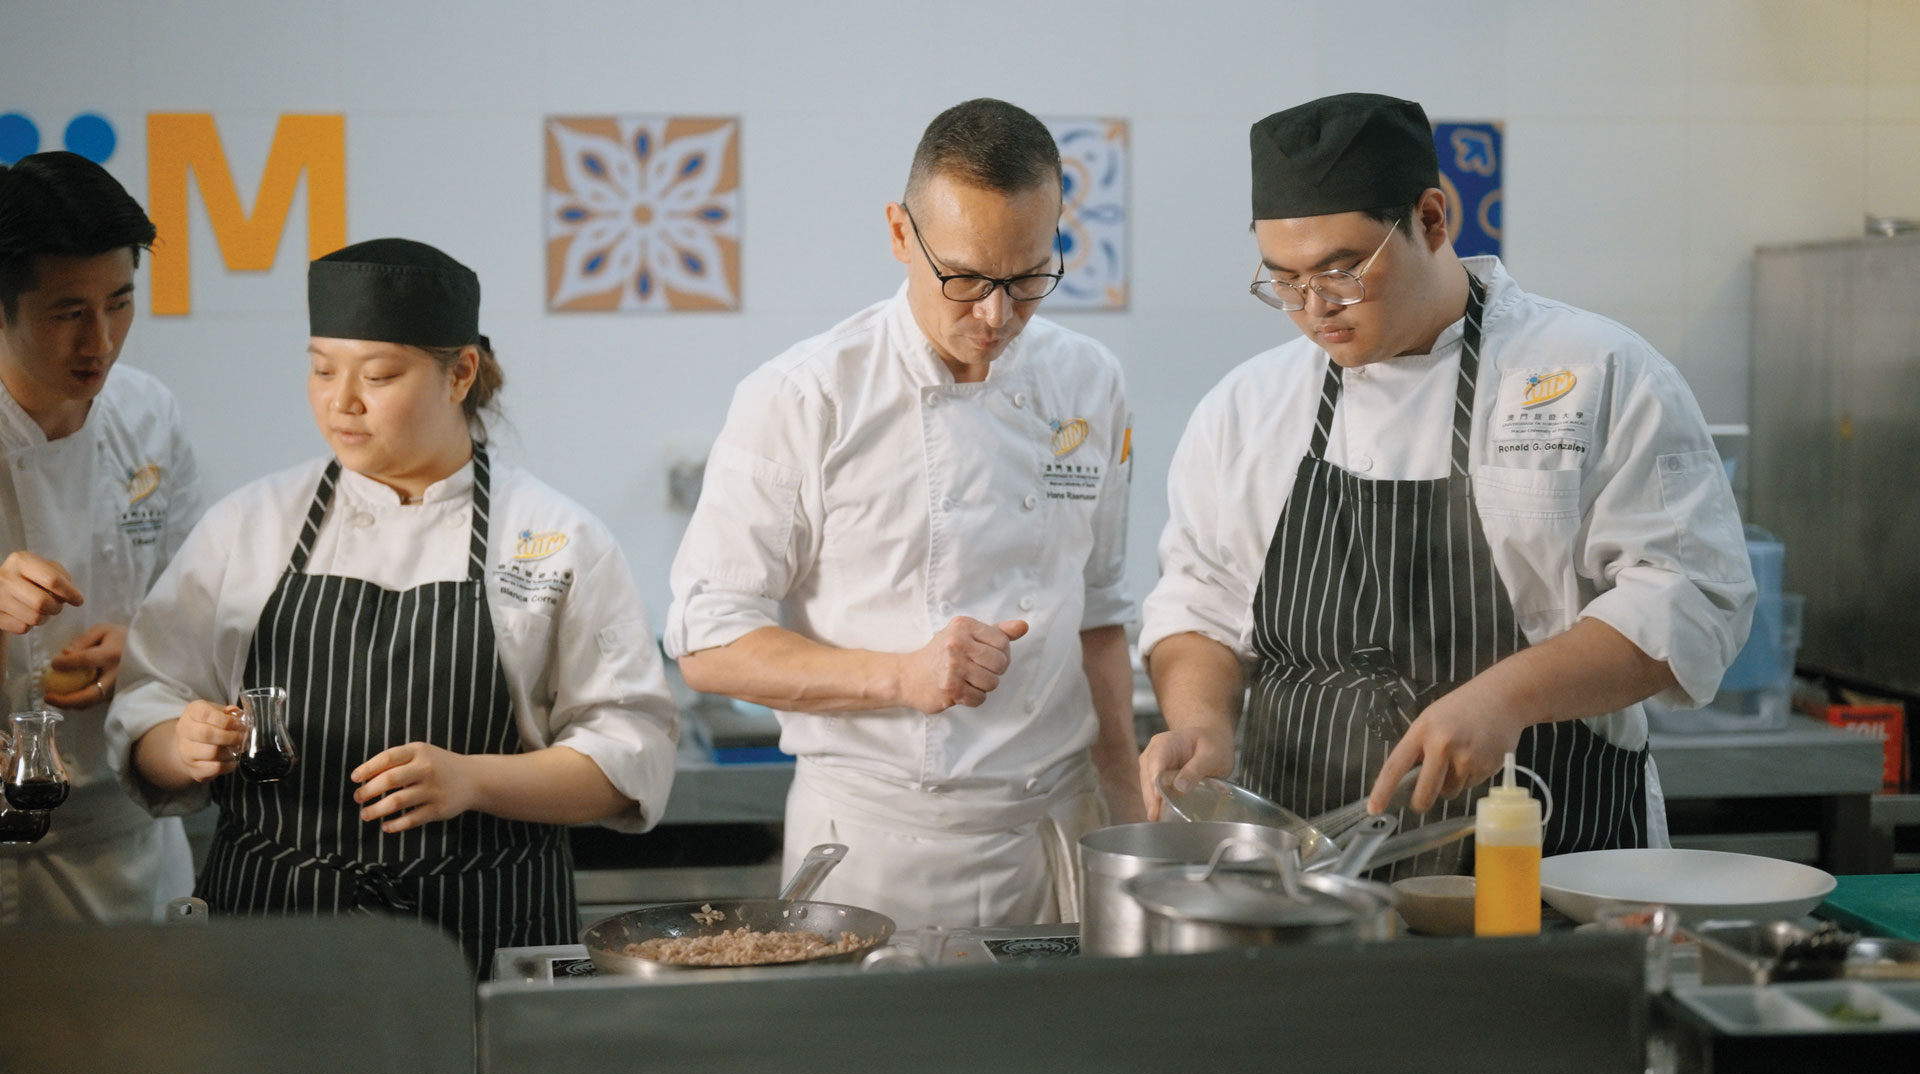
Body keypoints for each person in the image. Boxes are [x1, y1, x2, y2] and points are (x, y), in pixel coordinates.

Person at [1138, 93, 1755, 875]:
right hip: (1306, 885)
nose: (1315, 309)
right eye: (1284, 282)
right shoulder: (1246, 407)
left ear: (1432, 218)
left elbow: (1691, 599)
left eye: (1341, 271)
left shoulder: (1597, 372)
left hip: (1551, 862)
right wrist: (1203, 725)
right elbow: (1199, 604)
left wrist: (1510, 696)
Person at [107, 238, 678, 969]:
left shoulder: (554, 538)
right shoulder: (249, 526)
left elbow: (632, 753)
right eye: (320, 369)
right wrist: (179, 745)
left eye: (379, 375)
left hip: (486, 941)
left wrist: (474, 779)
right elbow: (148, 703)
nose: (341, 401)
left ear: (460, 373)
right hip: (271, 938)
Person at [666, 99, 1141, 931]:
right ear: (898, 233)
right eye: (964, 280)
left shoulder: (1089, 380)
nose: (996, 317)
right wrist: (899, 676)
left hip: (1056, 836)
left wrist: (1130, 808)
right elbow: (707, 641)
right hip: (876, 850)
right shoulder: (804, 396)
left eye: (1028, 279)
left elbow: (1098, 614)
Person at [0, 150, 200, 923]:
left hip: (129, 834)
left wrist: (144, 644)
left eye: (119, 302)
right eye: (67, 312)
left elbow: (187, 605)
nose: (101, 340)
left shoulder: (148, 414)